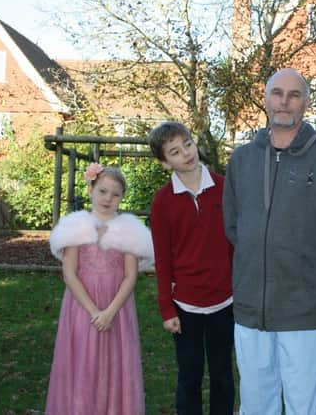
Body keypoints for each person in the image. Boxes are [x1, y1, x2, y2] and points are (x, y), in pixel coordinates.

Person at [223, 68, 316, 415]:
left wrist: (310, 273)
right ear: (265, 99)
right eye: (277, 93)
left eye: (294, 94)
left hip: (302, 310)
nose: (284, 101)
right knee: (255, 404)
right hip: (250, 308)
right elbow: (234, 226)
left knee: (305, 405)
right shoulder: (242, 159)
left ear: (306, 102)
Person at [46, 163, 154, 415]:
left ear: (122, 197)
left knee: (115, 364)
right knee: (83, 363)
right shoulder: (76, 226)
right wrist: (95, 311)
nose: (108, 198)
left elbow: (130, 276)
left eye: (115, 194)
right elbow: (69, 273)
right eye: (103, 191)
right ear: (91, 188)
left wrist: (109, 313)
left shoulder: (129, 230)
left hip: (117, 309)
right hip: (82, 308)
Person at [148, 121, 235, 415]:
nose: (185, 153)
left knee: (223, 375)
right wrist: (166, 308)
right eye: (174, 151)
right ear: (164, 163)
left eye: (187, 144)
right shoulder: (162, 202)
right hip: (185, 306)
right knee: (189, 377)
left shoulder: (225, 188)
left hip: (226, 301)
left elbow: (237, 244)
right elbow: (162, 258)